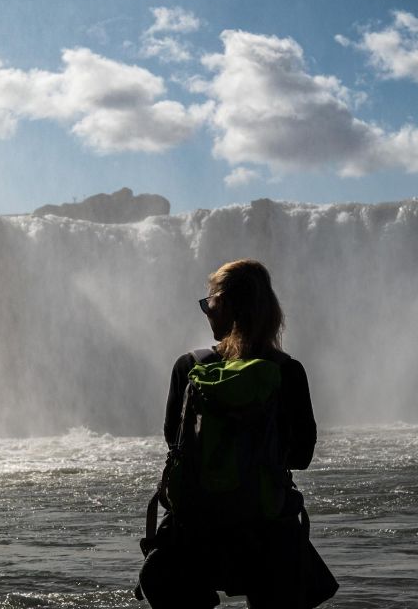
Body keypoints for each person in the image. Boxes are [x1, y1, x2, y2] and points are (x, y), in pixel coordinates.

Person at [137, 258, 321, 608]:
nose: (206, 312)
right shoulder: (288, 371)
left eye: (209, 303)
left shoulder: (189, 366)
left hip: (193, 531)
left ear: (224, 304)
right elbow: (302, 456)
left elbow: (173, 440)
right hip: (265, 530)